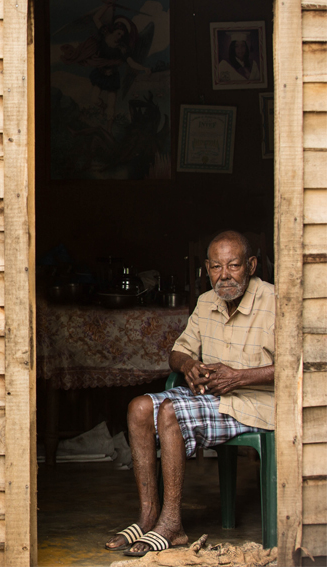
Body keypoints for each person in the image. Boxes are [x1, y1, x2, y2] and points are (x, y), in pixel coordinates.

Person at [105, 230, 274, 557]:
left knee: (170, 411)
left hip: (256, 403)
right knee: (139, 408)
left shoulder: (275, 301)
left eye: (234, 265)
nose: (223, 276)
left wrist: (239, 377)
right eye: (215, 267)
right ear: (206, 269)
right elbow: (177, 352)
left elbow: (296, 365)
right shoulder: (206, 301)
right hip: (214, 400)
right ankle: (148, 515)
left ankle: (172, 524)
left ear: (251, 265)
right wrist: (189, 365)